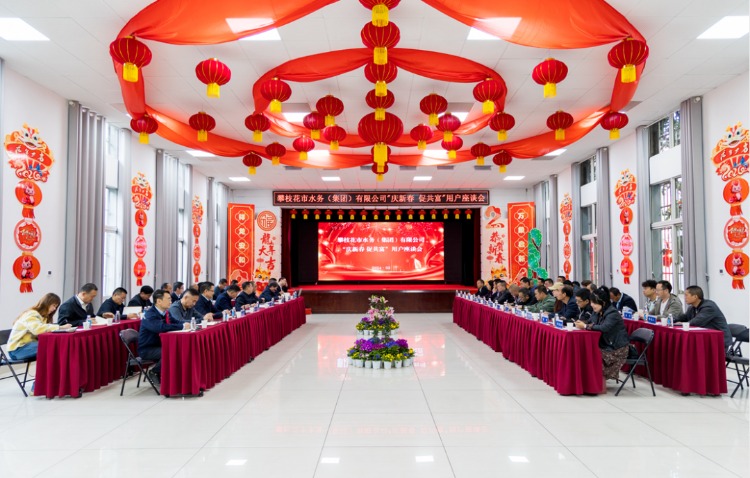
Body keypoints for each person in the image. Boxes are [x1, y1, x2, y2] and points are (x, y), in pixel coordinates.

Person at [575, 288, 630, 382]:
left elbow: (604, 327)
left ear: (603, 303)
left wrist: (585, 326)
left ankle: (594, 381)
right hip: (604, 344)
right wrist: (581, 323)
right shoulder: (597, 312)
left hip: (616, 348)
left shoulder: (612, 313)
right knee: (583, 350)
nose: (592, 305)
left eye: (594, 303)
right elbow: (590, 322)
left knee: (590, 353)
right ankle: (585, 380)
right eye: (591, 302)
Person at [137, 289, 185, 382]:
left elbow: (176, 322)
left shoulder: (166, 312)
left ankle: (174, 377)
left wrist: (189, 323)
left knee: (179, 348)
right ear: (159, 301)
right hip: (147, 349)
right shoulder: (150, 314)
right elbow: (160, 327)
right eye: (168, 299)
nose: (171, 301)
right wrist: (182, 326)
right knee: (172, 351)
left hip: (159, 345)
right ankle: (155, 371)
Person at [8, 293, 70, 360]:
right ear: (46, 303)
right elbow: (37, 329)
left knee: (56, 346)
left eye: (56, 307)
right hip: (17, 350)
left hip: (28, 346)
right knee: (53, 347)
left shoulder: (43, 317)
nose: (54, 309)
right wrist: (60, 327)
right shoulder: (31, 314)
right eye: (53, 305)